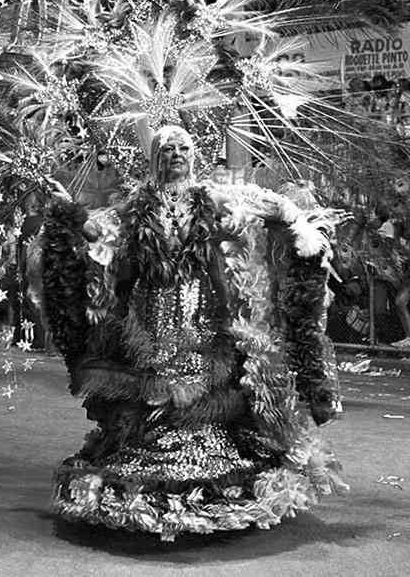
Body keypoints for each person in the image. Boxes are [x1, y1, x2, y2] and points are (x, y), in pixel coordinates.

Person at [41, 125, 345, 539]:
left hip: (204, 321)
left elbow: (265, 205)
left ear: (195, 154)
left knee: (209, 390)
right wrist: (67, 213)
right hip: (150, 323)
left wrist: (296, 223)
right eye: (167, 148)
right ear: (154, 158)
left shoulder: (213, 198)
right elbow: (99, 231)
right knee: (152, 391)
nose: (176, 154)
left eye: (184, 147)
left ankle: (210, 471)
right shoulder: (136, 206)